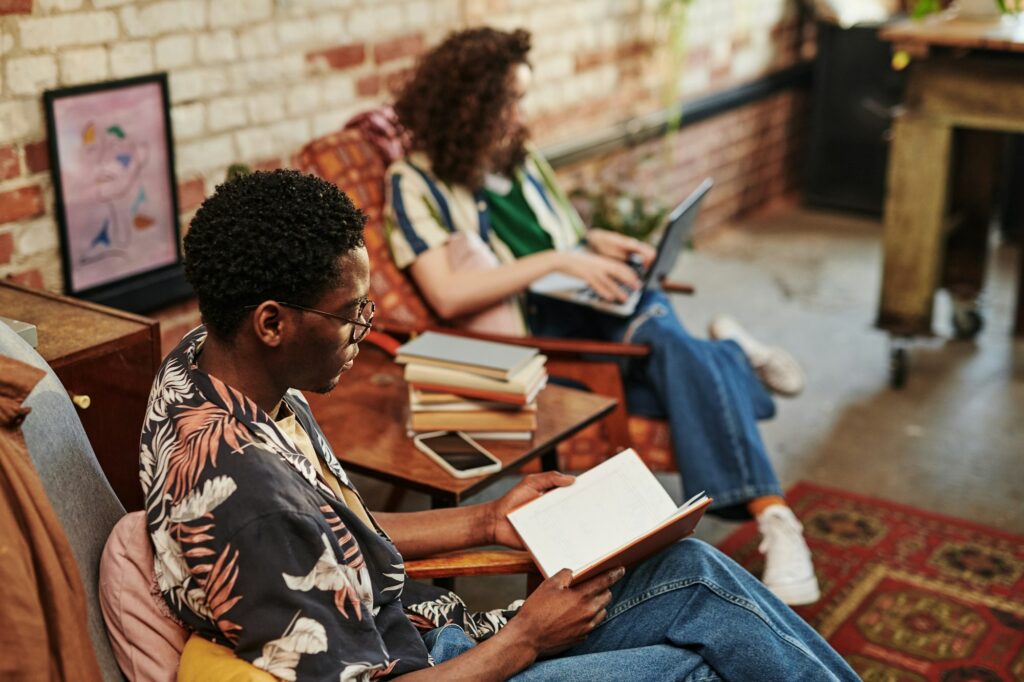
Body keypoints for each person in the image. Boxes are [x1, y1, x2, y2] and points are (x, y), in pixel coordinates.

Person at [144, 169, 857, 680]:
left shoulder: (212, 366)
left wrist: (488, 524)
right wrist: (523, 637)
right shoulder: (246, 503)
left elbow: (331, 533)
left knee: (691, 568)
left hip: (427, 631)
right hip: (433, 664)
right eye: (349, 312)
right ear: (271, 322)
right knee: (703, 661)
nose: (365, 328)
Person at [384, 27, 818, 606]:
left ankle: (770, 503)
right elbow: (448, 294)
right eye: (509, 100)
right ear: (468, 103)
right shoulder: (413, 183)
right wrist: (557, 261)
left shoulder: (521, 162)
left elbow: (568, 237)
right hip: (545, 335)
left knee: (657, 334)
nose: (519, 114)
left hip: (588, 308)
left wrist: (598, 246)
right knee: (681, 355)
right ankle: (739, 379)